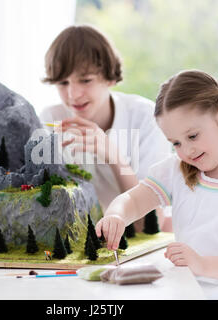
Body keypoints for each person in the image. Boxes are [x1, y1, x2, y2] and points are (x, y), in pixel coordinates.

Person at [95, 70, 218, 300]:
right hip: (187, 292)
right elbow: (135, 199)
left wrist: (202, 265)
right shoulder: (175, 170)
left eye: (193, 136)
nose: (186, 151)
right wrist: (117, 215)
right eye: (176, 143)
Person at [39, 24, 172, 232]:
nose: (73, 94)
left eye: (85, 80)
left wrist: (113, 156)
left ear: (109, 77)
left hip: (139, 245)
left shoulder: (146, 118)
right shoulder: (50, 119)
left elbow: (151, 223)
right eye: (63, 83)